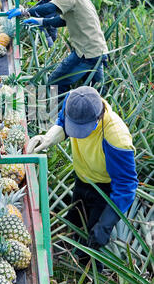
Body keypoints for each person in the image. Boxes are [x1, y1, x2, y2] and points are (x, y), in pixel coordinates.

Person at [27, 85, 139, 272]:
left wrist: (106, 224)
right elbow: (62, 121)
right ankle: (65, 263)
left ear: (98, 117)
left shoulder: (116, 137)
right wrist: (48, 138)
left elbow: (126, 185)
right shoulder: (74, 100)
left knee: (93, 239)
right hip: (82, 179)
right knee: (73, 222)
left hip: (105, 190)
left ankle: (91, 277)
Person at [7, 0, 109, 95]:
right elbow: (63, 20)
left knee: (55, 82)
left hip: (85, 52)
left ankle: (57, 113)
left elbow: (51, 7)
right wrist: (41, 21)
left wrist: (26, 11)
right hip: (97, 50)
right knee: (98, 90)